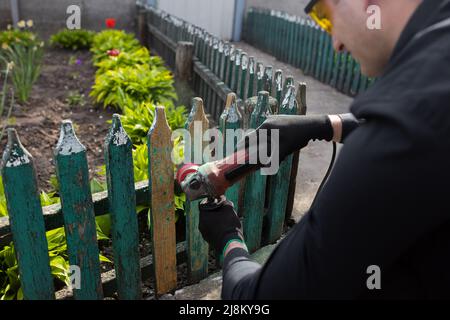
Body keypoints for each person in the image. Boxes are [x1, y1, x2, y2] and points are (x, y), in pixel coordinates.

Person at [198, 0, 450, 299]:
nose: (337, 43)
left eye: (325, 16)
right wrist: (327, 125)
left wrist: (229, 241)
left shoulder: (397, 141)